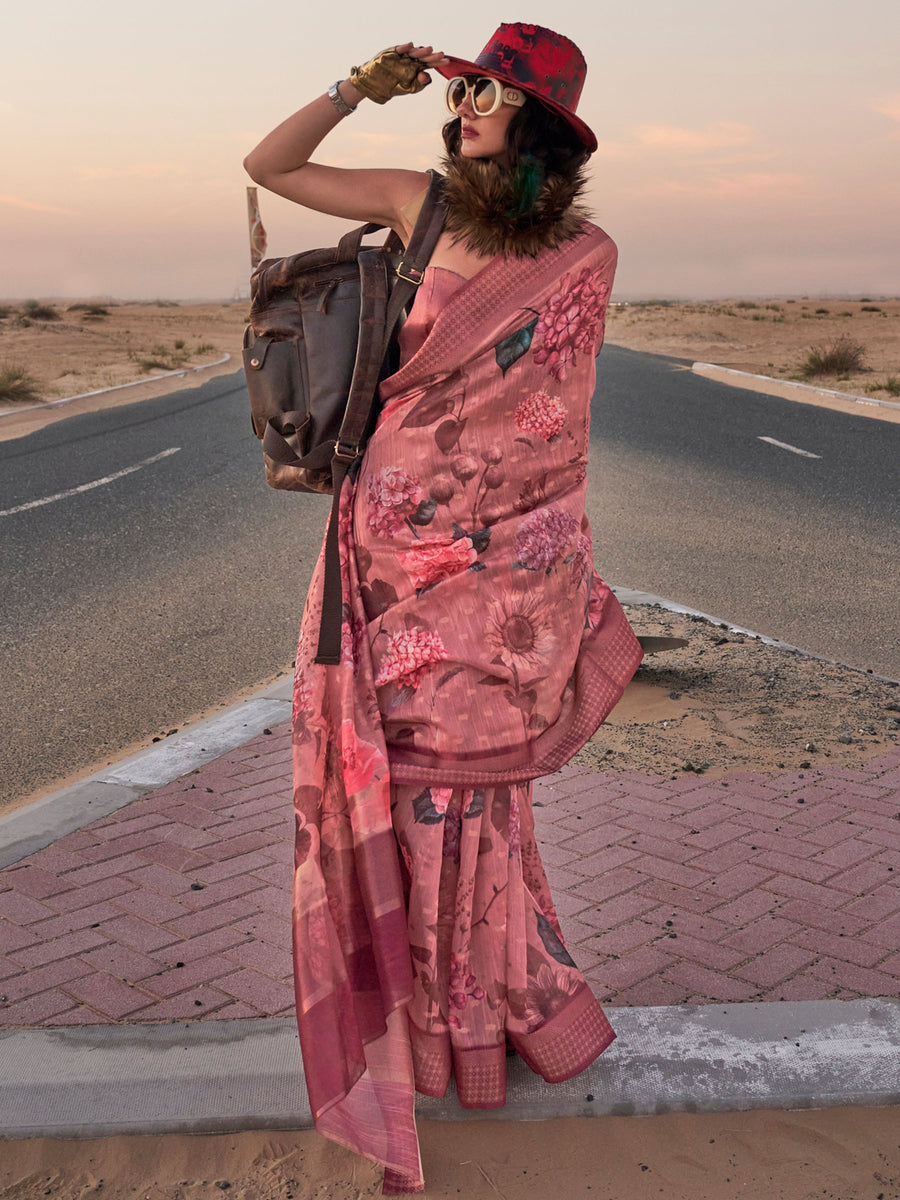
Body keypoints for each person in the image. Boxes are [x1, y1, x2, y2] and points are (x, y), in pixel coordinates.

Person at [244, 23, 643, 1195]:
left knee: (470, 794)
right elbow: (269, 166)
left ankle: (480, 1016)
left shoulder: (587, 251)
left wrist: (540, 557)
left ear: (540, 122)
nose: (464, 103)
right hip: (387, 562)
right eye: (461, 85)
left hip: (504, 575)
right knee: (401, 783)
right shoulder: (418, 202)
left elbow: (554, 426)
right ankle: (414, 1022)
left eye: (488, 91)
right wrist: (347, 90)